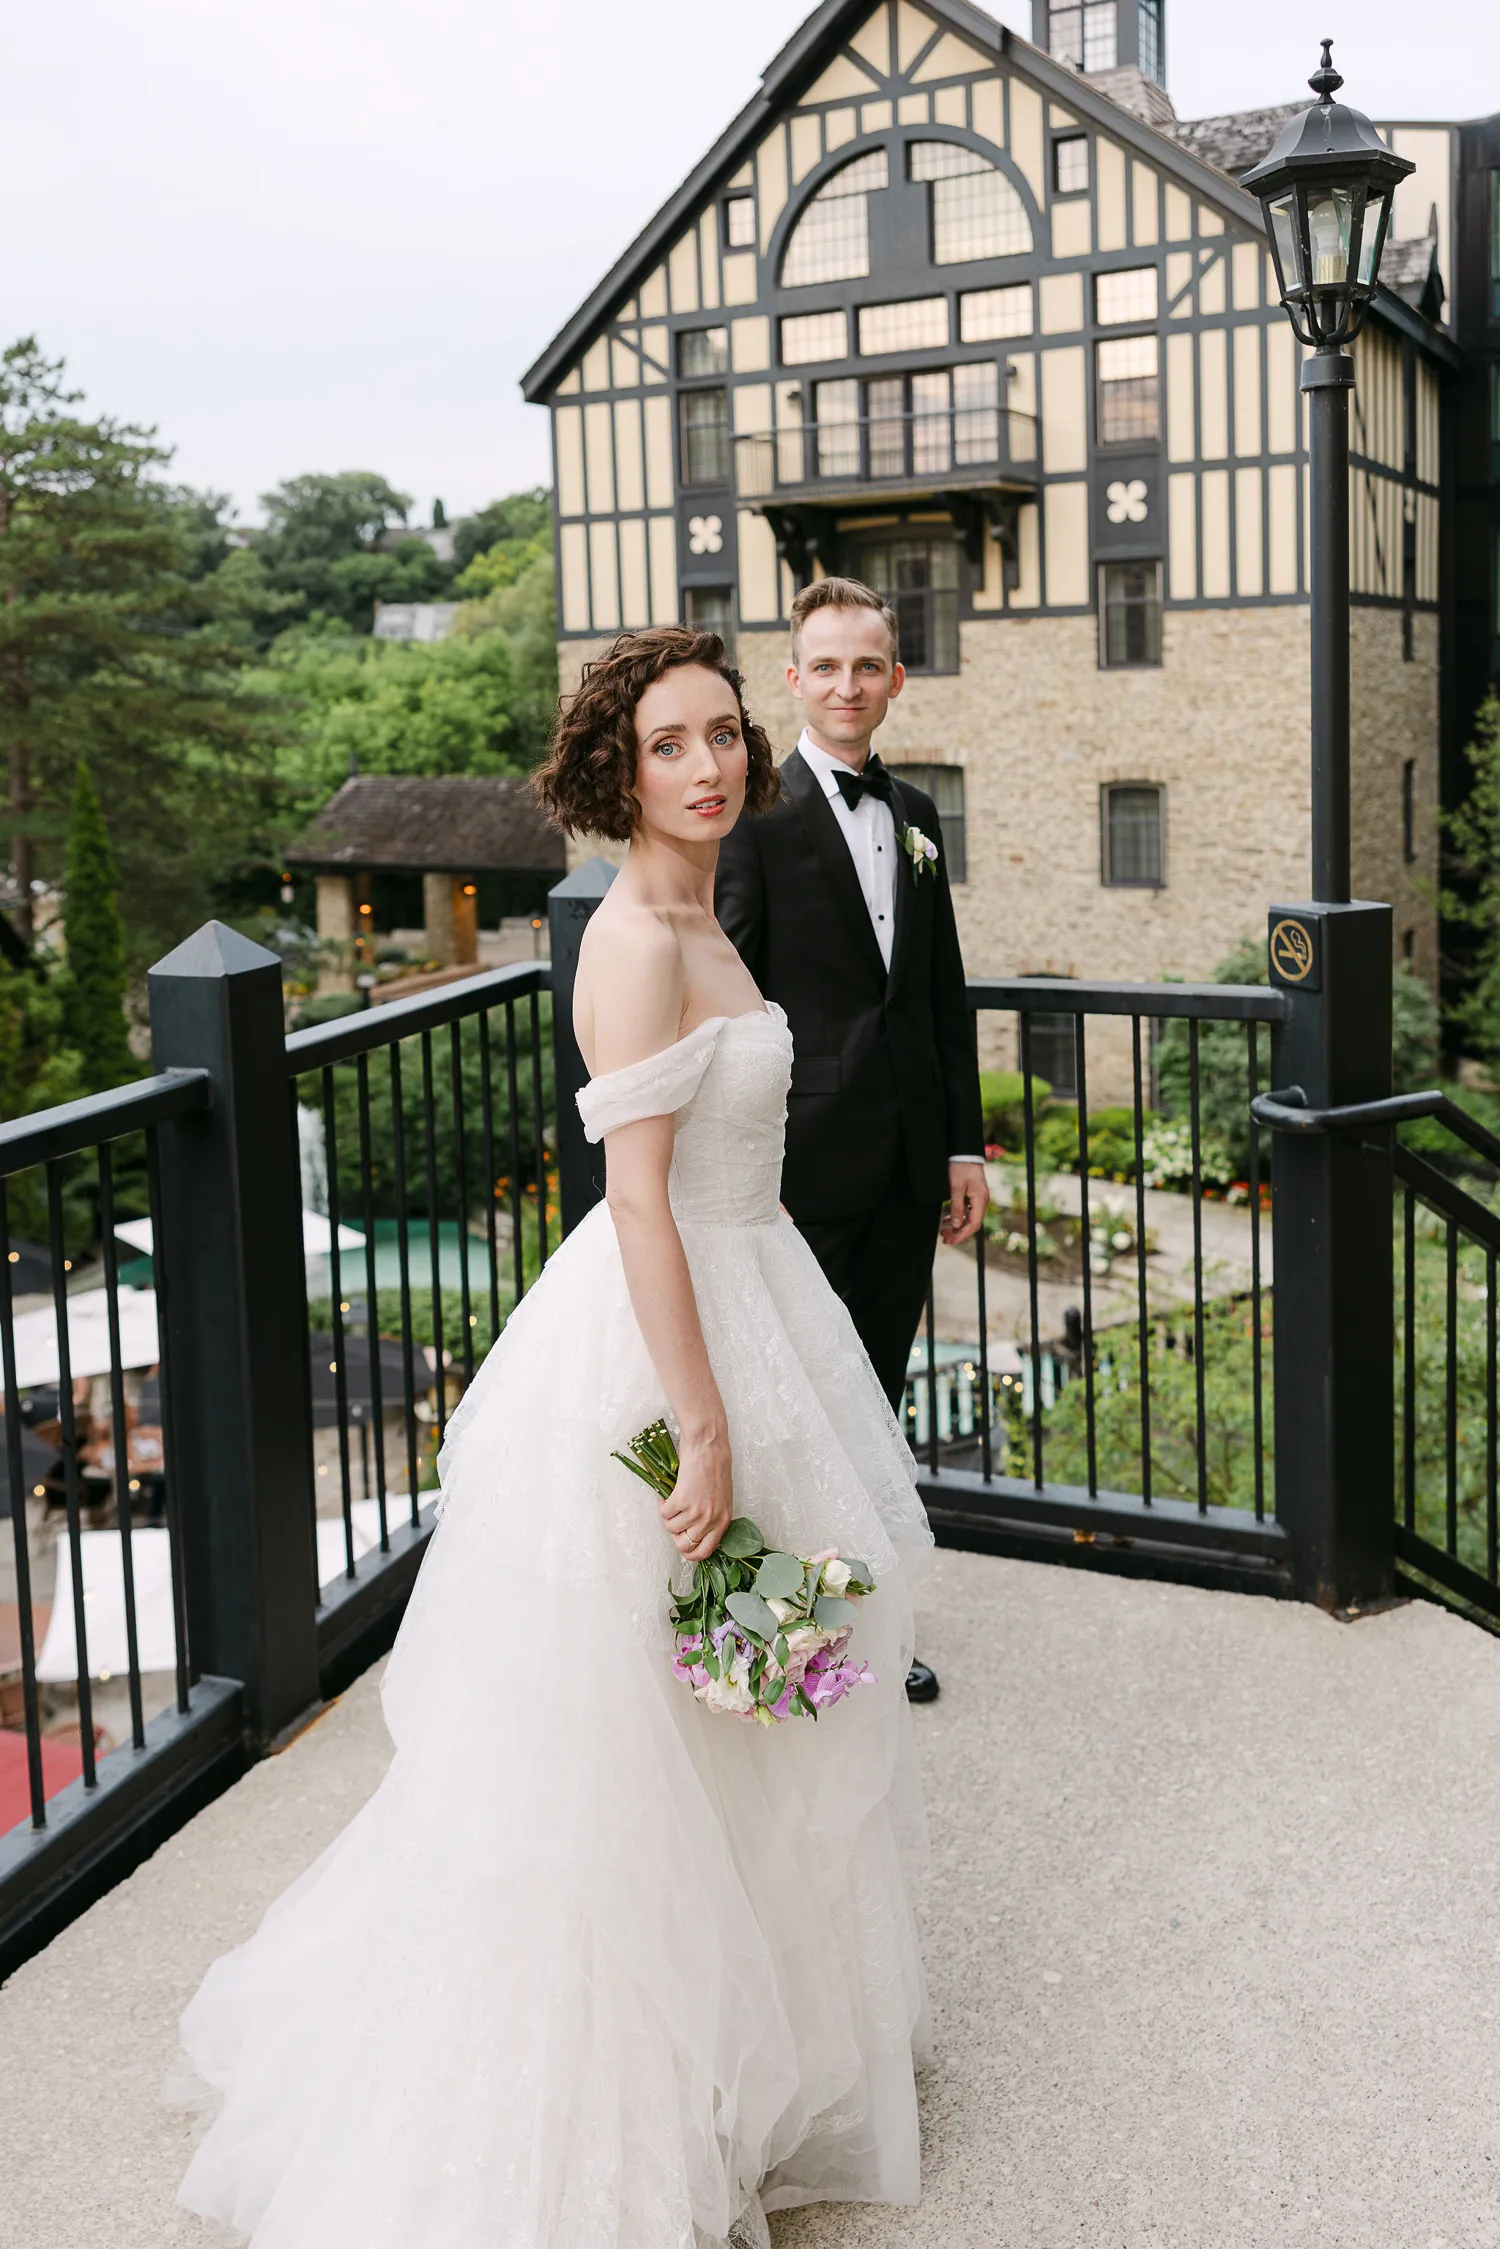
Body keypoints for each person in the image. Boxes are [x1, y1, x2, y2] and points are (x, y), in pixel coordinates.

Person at [168, 626, 933, 2249]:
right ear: (617, 767)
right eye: (673, 742)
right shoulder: (638, 944)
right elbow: (639, 1200)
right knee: (618, 1747)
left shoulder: (702, 913)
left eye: (726, 732)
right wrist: (705, 1421)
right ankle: (613, 2096)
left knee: (749, 1708)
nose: (713, 763)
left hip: (758, 1295)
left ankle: (759, 2047)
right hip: (664, 1343)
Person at [714, 577, 988, 1705]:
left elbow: (940, 990)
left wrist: (964, 1145)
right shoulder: (752, 817)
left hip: (907, 1165)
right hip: (797, 1179)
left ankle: (864, 1623)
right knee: (789, 1410)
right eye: (824, 665)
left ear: (895, 679)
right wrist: (748, 1167)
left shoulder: (918, 817)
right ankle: (778, 1639)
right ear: (793, 679)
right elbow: (727, 998)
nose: (846, 684)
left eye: (866, 665)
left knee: (870, 1402)